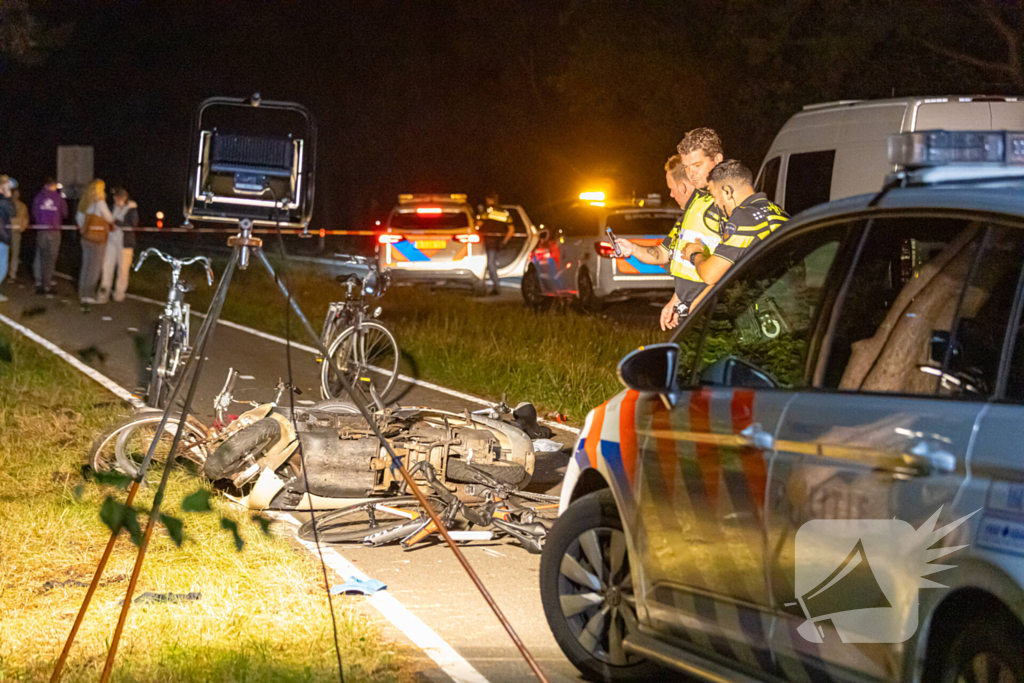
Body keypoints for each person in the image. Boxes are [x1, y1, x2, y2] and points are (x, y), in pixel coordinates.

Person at [684, 159, 789, 309]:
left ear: (727, 192)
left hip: (772, 315)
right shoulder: (778, 211)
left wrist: (695, 255)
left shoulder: (744, 217)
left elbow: (710, 274)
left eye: (714, 196)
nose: (715, 204)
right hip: (793, 307)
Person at [614, 154, 695, 268]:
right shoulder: (685, 220)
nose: (671, 195)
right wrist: (632, 249)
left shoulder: (711, 216)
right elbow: (662, 254)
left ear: (683, 187)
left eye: (671, 189)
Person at [76, 179, 114, 305]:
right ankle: (89, 294)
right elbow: (109, 218)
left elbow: (79, 218)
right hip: (98, 239)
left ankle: (82, 293)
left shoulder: (85, 202)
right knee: (95, 267)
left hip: (86, 238)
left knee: (86, 265)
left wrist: (84, 230)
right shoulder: (100, 203)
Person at [99, 188, 138, 303]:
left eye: (116, 198)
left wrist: (116, 222)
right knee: (106, 267)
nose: (114, 200)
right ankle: (103, 293)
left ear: (123, 198)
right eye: (114, 198)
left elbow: (132, 226)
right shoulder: (112, 208)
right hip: (111, 242)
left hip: (125, 244)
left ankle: (119, 295)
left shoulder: (132, 209)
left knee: (123, 270)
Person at [31, 177, 68, 295]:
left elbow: (34, 212)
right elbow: (65, 213)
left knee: (41, 256)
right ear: (53, 185)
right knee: (51, 258)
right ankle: (47, 285)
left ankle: (39, 281)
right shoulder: (58, 197)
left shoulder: (38, 197)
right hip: (54, 230)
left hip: (41, 230)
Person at [475, 192, 514, 295]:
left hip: (488, 242)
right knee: (492, 264)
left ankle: (496, 287)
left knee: (490, 265)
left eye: (488, 200)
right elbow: (511, 229)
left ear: (491, 200)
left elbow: (477, 225)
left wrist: (478, 216)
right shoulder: (504, 212)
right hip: (498, 242)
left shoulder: (487, 212)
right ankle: (493, 286)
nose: (487, 202)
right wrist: (504, 241)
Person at [7, 181, 28, 283]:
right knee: (5, 253)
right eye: (14, 193)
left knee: (15, 254)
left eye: (17, 193)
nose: (16, 195)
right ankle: (4, 272)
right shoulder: (6, 204)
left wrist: (22, 228)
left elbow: (25, 219)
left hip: (16, 232)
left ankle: (12, 274)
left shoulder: (22, 206)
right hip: (5, 232)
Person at [0, 176, 14, 301]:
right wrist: (8, 195)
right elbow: (11, 212)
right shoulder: (3, 200)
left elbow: (15, 182)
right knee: (2, 267)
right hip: (1, 236)